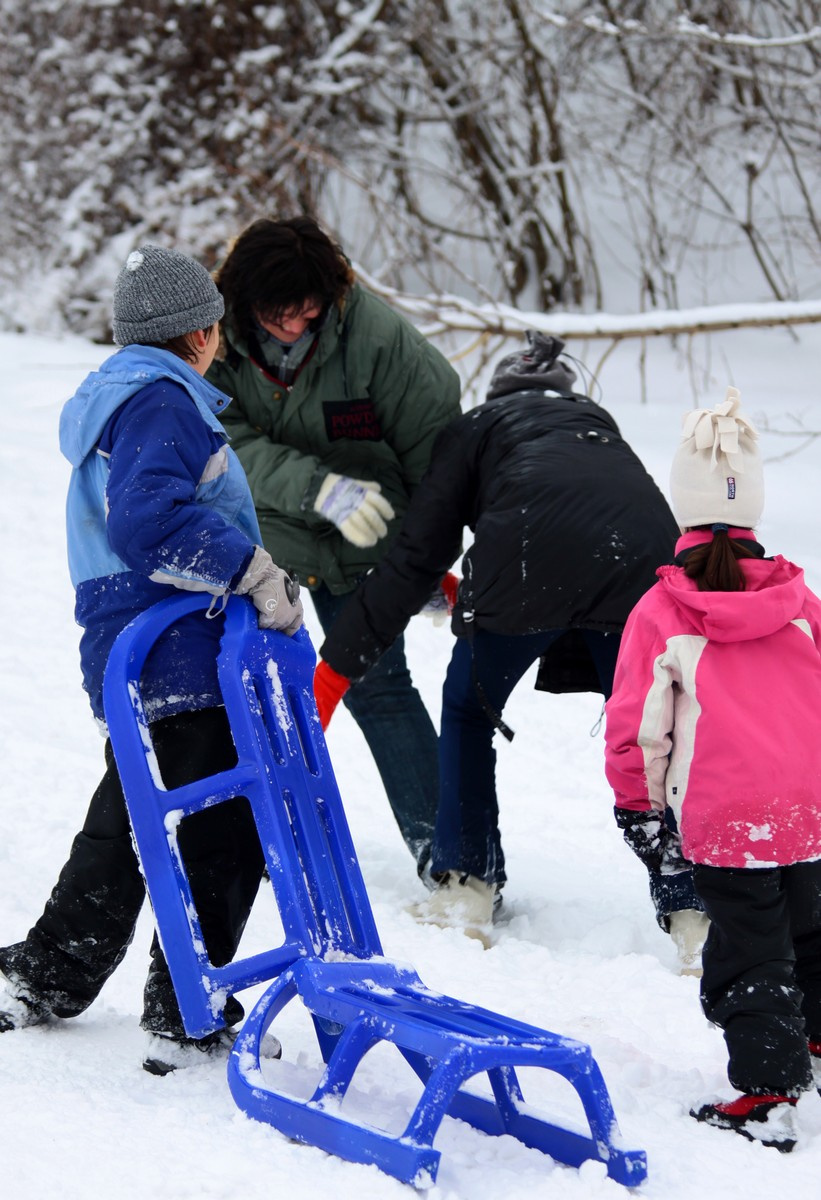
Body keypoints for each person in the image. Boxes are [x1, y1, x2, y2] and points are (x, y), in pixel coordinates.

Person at [0, 245, 303, 1074]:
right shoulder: (163, 401)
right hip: (178, 644)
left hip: (136, 646)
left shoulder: (119, 399)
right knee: (219, 830)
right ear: (201, 332)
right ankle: (191, 1012)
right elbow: (150, 525)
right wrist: (251, 568)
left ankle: (44, 976)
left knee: (136, 815)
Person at [314, 331, 692, 947]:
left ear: (496, 396)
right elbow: (598, 515)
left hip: (522, 564)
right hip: (642, 564)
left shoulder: (477, 426)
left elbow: (416, 556)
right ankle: (694, 907)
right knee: (660, 726)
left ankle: (468, 885)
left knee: (469, 710)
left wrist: (334, 671)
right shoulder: (597, 425)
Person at [207, 216, 462, 880]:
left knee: (379, 688)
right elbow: (218, 438)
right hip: (264, 542)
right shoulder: (213, 341)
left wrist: (424, 558)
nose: (293, 327)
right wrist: (317, 487)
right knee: (254, 686)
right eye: (276, 315)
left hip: (367, 544)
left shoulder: (381, 344)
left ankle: (453, 859)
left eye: (308, 312)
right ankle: (247, 841)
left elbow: (440, 459)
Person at [604, 387, 821, 1152]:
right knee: (812, 929)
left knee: (748, 948)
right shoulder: (799, 600)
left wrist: (637, 807)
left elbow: (637, 729)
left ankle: (767, 1095)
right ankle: (815, 1041)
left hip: (726, 815)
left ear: (680, 509)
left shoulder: (663, 612)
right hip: (808, 809)